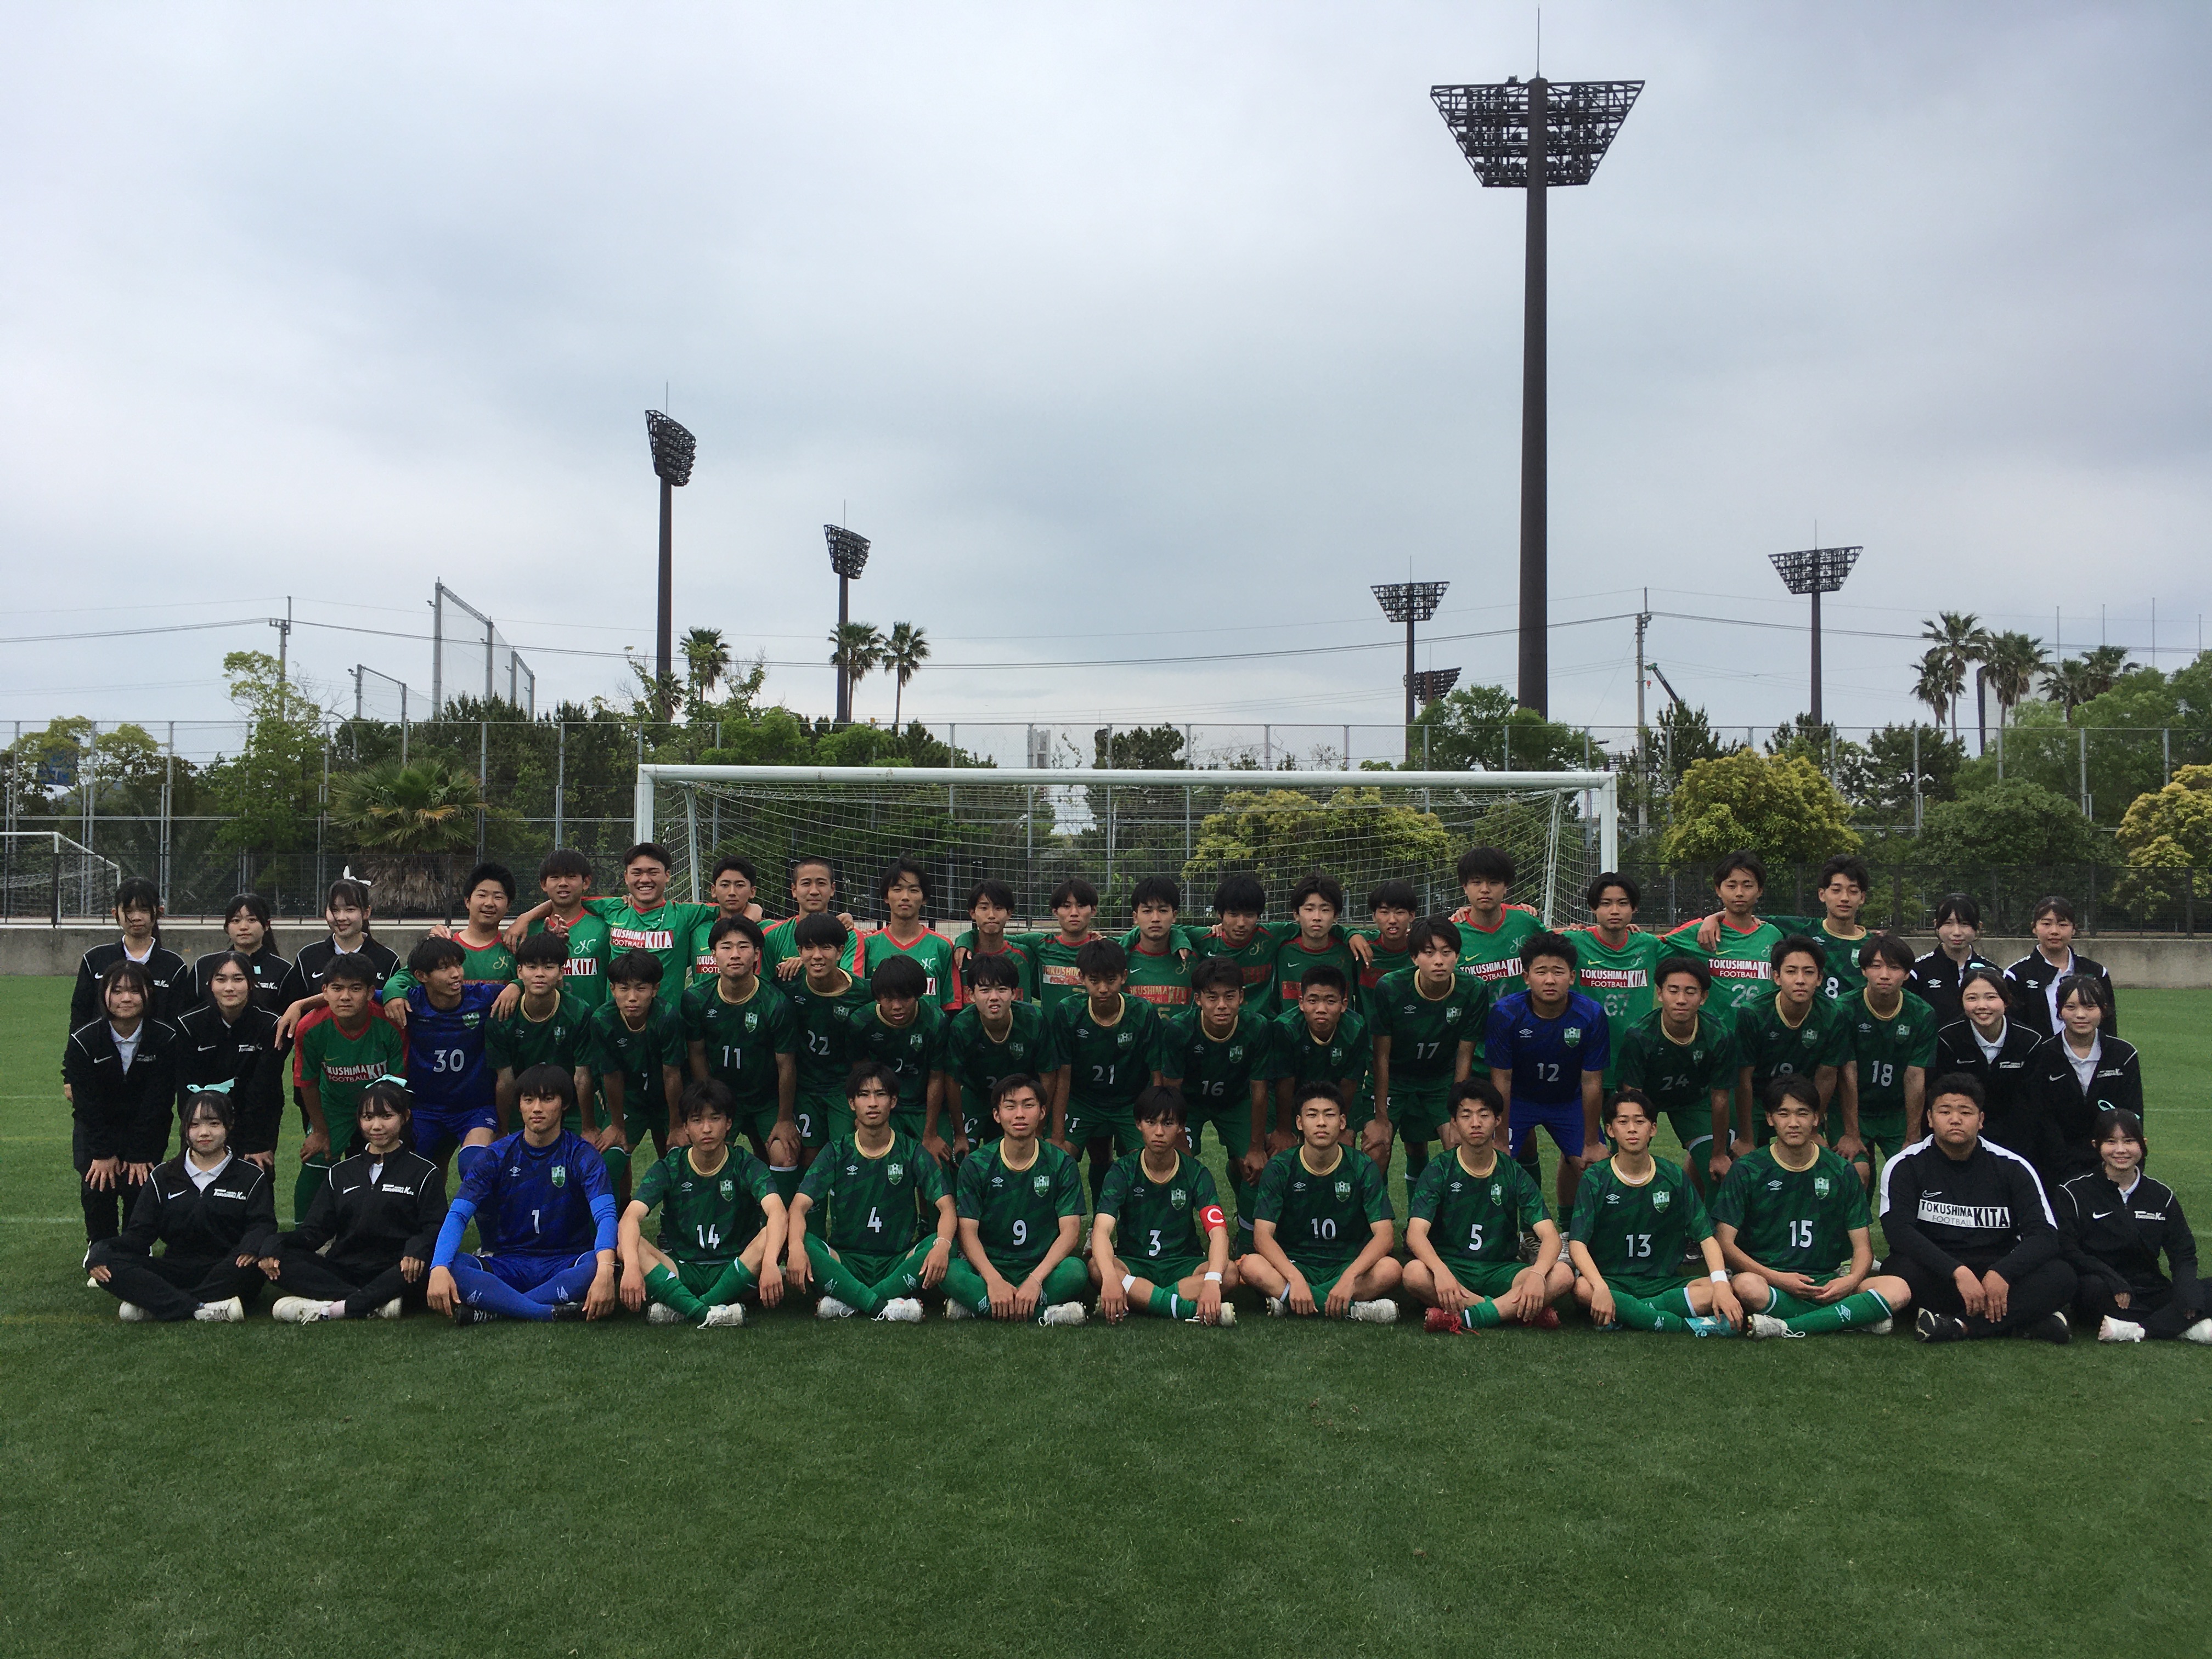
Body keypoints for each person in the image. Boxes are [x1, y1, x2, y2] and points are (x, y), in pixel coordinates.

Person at [1880, 1074, 2076, 1344]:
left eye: (1965, 1112)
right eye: (1945, 1112)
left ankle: (1958, 1325)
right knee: (1898, 1269)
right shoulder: (1905, 1165)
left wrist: (2003, 1272)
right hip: (1939, 1271)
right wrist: (1957, 1272)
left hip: (1997, 1271)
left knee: (2062, 1275)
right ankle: (2025, 1321)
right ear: (1930, 1119)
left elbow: (2044, 1235)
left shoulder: (2013, 1166)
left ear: (1981, 1120)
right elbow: (1899, 1233)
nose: (1955, 1119)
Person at [1714, 1077, 1911, 1339]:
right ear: (1770, 1119)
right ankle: (1849, 1317)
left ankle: (1785, 1325)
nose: (1793, 1123)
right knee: (1746, 1286)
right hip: (1769, 1280)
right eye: (1784, 1114)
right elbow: (1725, 1243)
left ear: (1816, 1118)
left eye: (1802, 1113)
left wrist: (1850, 1281)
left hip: (1827, 1281)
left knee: (1898, 1289)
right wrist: (1777, 1278)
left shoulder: (1841, 1170)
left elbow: (1863, 1247)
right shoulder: (1748, 1169)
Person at [427, 1064, 619, 1325]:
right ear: (519, 1105)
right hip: (509, 1264)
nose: (537, 1108)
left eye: (547, 1099)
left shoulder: (583, 1155)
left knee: (600, 1265)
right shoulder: (495, 1155)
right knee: (452, 1266)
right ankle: (545, 1311)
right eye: (529, 1100)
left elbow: (606, 1215)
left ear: (564, 1104)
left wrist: (606, 1270)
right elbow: (459, 1215)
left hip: (566, 1262)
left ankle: (497, 1307)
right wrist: (438, 1267)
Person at [263, 1079, 446, 1322]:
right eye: (368, 1117)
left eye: (387, 1116)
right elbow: (313, 1233)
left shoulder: (425, 1172)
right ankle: (374, 1303)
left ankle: (334, 1309)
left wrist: (417, 1248)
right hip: (344, 1270)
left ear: (405, 1117)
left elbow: (435, 1227)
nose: (376, 1126)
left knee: (425, 1266)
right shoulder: (340, 1173)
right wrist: (276, 1242)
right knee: (280, 1260)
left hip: (398, 1269)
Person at [787, 1062, 955, 1322]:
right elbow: (799, 1206)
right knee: (803, 1242)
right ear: (852, 1103)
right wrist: (796, 1247)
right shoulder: (837, 1151)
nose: (873, 1103)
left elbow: (947, 1207)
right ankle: (885, 1305)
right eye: (864, 1095)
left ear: (893, 1101)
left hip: (897, 1261)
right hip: (846, 1262)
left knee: (946, 1243)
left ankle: (851, 1301)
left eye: (881, 1094)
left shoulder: (911, 1150)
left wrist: (943, 1246)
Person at [87, 1087, 270, 1323]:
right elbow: (139, 1236)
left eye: (214, 1124)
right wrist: (101, 1250)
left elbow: (263, 1224)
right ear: (185, 1128)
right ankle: (202, 1308)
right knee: (111, 1265)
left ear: (229, 1125)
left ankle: (159, 1304)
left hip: (227, 1267)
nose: (204, 1133)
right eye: (194, 1125)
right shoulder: (163, 1176)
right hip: (174, 1268)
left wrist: (251, 1247)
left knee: (253, 1268)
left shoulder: (251, 1176)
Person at [1568, 1090, 1742, 1335]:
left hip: (1663, 1283)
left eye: (1640, 1121)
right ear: (1610, 1130)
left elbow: (1706, 1237)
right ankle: (1683, 1325)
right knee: (1583, 1289)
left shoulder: (1673, 1176)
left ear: (1653, 1129)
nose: (1632, 1129)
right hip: (1611, 1281)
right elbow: (1577, 1244)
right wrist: (1600, 1287)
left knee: (1716, 1288)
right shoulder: (1596, 1178)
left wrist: (1722, 1283)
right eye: (1623, 1122)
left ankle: (1629, 1314)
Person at [619, 1078, 786, 1328]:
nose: (706, 1129)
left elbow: (778, 1212)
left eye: (715, 1119)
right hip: (682, 1269)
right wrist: (632, 1267)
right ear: (686, 1127)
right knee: (625, 1243)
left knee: (771, 1233)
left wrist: (771, 1263)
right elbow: (630, 1217)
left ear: (729, 1123)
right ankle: (710, 1312)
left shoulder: (744, 1164)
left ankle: (684, 1307)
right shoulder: (671, 1166)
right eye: (697, 1120)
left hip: (735, 1267)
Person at [1405, 1080, 1569, 1333]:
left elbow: (1551, 1237)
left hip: (1501, 1270)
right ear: (1454, 1122)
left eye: (1484, 1115)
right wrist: (1439, 1270)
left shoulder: (1513, 1171)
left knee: (1562, 1274)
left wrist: (1537, 1274)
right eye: (1466, 1115)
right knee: (1413, 1273)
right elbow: (1416, 1234)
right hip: (1453, 1268)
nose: (1475, 1123)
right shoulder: (1439, 1169)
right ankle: (1513, 1312)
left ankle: (1469, 1315)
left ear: (1497, 1121)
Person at [1242, 1083, 1401, 1321]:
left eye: (1329, 1115)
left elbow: (1385, 1236)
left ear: (1343, 1122)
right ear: (1299, 1123)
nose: (1322, 1123)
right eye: (1312, 1115)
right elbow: (1262, 1236)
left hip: (1346, 1264)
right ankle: (1353, 1310)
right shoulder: (1280, 1167)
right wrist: (1295, 1278)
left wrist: (1350, 1277)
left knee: (1391, 1269)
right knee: (1251, 1266)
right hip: (1296, 1264)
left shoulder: (1362, 1166)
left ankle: (1290, 1302)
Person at [943, 1075, 1091, 1324]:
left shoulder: (1061, 1163)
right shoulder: (977, 1164)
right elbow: (967, 1232)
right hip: (991, 1265)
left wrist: (1035, 1280)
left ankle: (979, 1307)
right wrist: (993, 1280)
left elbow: (1071, 1232)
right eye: (1010, 1106)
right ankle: (1047, 1314)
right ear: (997, 1115)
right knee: (950, 1271)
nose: (1019, 1114)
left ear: (1042, 1112)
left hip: (1040, 1266)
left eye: (1028, 1105)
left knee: (1076, 1271)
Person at [2054, 1110, 2207, 1344]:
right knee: (2092, 1289)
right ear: (2096, 1146)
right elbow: (2068, 1249)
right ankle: (2182, 1325)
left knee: (2197, 1291)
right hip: (2104, 1287)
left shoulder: (2161, 1195)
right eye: (2111, 1142)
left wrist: (2187, 1292)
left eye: (2129, 1141)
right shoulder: (2072, 1192)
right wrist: (2112, 1278)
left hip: (2151, 1288)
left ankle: (2140, 1330)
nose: (2121, 1150)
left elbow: (2183, 1252)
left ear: (2143, 1144)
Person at [1485, 930, 1610, 1214]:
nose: (1550, 980)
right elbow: (1501, 1079)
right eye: (1541, 972)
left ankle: (1567, 1231)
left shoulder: (1590, 1014)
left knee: (1595, 1167)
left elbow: (1592, 1081)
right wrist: (1500, 1139)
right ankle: (1511, 1233)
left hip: (1567, 1102)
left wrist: (1591, 1142)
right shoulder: (1506, 1013)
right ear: (1526, 977)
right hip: (1518, 1102)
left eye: (1558, 972)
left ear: (1572, 977)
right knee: (1494, 1166)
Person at [1160, 957, 1279, 1251]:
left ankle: (1248, 1241)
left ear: (1242, 996)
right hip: (1189, 1104)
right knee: (1174, 1164)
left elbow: (1259, 1090)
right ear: (1198, 999)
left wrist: (1255, 1147)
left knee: (1255, 1166)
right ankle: (1177, 1240)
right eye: (1212, 998)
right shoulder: (1180, 1029)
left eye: (1230, 996)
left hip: (1235, 1102)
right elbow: (1172, 1092)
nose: (1222, 1005)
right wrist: (1180, 1143)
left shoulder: (1257, 1027)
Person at [1091, 1086, 1236, 1325]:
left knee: (1228, 1273)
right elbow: (1101, 1229)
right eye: (1151, 1122)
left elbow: (1218, 1233)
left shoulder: (1196, 1172)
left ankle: (1141, 1301)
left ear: (1180, 1127)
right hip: (1135, 1262)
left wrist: (1211, 1280)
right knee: (1098, 1268)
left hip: (1182, 1264)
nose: (1159, 1132)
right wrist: (1109, 1277)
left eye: (1168, 1123)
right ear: (1138, 1124)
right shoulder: (1122, 1170)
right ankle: (1185, 1308)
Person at [505, 842, 714, 1007]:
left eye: (653, 872)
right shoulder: (614, 908)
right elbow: (565, 899)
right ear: (626, 877)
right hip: (615, 1022)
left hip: (665, 1023)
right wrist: (526, 917)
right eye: (637, 873)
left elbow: (727, 904)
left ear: (667, 875)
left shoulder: (686, 914)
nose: (645, 879)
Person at [66, 959, 183, 1250]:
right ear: (104, 995)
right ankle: (100, 1247)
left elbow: (158, 1101)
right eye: (117, 991)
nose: (126, 998)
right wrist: (102, 1153)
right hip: (97, 1131)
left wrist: (141, 1152)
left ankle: (137, 1247)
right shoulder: (84, 1040)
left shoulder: (166, 1038)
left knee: (139, 1186)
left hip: (144, 1130)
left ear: (148, 994)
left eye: (134, 990)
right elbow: (87, 1105)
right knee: (97, 1186)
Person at [1362, 917, 1484, 1193]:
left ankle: (1440, 1217)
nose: (1438, 961)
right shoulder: (1390, 987)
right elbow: (1381, 1057)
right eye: (1429, 953)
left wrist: (1458, 1114)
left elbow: (1465, 1056)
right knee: (1376, 1148)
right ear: (1414, 957)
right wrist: (1381, 1118)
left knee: (1459, 1144)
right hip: (1395, 1078)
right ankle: (1374, 1217)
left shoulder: (1473, 990)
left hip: (1440, 1080)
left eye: (1446, 952)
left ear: (1457, 956)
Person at [1047, 938, 1166, 1205]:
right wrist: (1057, 1136)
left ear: (1124, 977)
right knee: (1060, 1159)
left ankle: (1135, 1222)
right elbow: (1063, 1074)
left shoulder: (1142, 1012)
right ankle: (1091, 1220)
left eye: (1111, 980)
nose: (1103, 989)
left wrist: (1155, 1120)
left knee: (1145, 1161)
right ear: (1081, 978)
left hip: (1130, 1102)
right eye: (1094, 980)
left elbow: (1156, 1073)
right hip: (1084, 1102)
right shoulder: (1068, 1012)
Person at [680, 916, 800, 1180]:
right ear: (714, 954)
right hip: (721, 1096)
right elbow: (697, 1053)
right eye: (726, 947)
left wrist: (784, 1119)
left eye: (743, 947)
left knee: (785, 1153)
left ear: (757, 954)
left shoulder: (776, 1004)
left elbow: (786, 1066)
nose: (735, 954)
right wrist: (709, 1104)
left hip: (765, 1099)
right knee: (707, 1152)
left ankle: (779, 1205)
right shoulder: (696, 998)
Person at [290, 953, 405, 1222]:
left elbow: (398, 1081)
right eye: (337, 988)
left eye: (355, 989)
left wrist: (387, 1121)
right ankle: (303, 1233)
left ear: (370, 993)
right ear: (325, 991)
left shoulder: (390, 1023)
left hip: (382, 1106)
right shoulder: (310, 1027)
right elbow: (307, 1083)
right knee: (317, 1157)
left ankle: (384, 1227)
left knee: (389, 1162)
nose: (345, 997)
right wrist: (320, 1131)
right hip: (335, 1104)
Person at [1612, 955, 1739, 1192]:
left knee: (1718, 1173)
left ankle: (1700, 1214)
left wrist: (1719, 1154)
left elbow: (1720, 1097)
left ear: (1703, 997)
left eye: (1690, 992)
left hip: (1695, 1100)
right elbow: (1632, 1100)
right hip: (1646, 1100)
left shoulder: (1719, 1035)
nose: (1681, 1000)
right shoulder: (1640, 1035)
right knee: (1626, 1169)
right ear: (1660, 993)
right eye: (1673, 991)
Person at [380, 936, 504, 1172]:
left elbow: (532, 987)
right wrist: (301, 1005)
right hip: (425, 1110)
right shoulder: (411, 1003)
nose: (456, 974)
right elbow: (358, 997)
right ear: (421, 976)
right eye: (444, 968)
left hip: (475, 1109)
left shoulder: (482, 997)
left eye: (458, 965)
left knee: (474, 1166)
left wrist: (517, 986)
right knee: (414, 1173)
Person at [1691, 853, 1872, 1004]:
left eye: (1853, 891)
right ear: (1822, 894)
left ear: (1862, 897)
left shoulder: (1873, 947)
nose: (1845, 898)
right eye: (1836, 890)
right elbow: (1742, 915)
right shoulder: (1801, 929)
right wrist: (1713, 918)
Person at [1731, 935, 1854, 1155]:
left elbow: (1826, 1076)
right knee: (1730, 1159)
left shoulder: (1833, 1014)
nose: (1800, 980)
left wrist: (1814, 1129)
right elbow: (1744, 1079)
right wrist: (1746, 1138)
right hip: (1757, 1099)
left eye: (1809, 972)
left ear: (1819, 978)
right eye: (1791, 972)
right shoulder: (1753, 1014)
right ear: (1777, 977)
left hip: (1803, 1099)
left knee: (1817, 1160)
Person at [938, 950, 1061, 1158]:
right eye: (985, 990)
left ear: (1014, 993)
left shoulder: (1033, 1020)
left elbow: (1048, 1075)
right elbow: (952, 1080)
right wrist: (959, 1134)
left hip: (1020, 1095)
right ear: (971, 995)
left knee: (1022, 1153)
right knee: (958, 1156)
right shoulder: (962, 1026)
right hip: (976, 1095)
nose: (994, 998)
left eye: (1002, 989)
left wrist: (1038, 1128)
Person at [1838, 933, 1938, 1182]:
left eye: (1894, 968)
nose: (1884, 975)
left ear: (1906, 974)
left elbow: (1915, 1076)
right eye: (1876, 966)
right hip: (1854, 1110)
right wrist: (1851, 1133)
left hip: (1896, 1112)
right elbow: (1847, 1072)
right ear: (1864, 970)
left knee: (1912, 1175)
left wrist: (1913, 1135)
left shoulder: (1922, 1013)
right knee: (1856, 1173)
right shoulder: (1844, 1009)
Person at [173, 949, 284, 1171]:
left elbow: (267, 1090)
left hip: (253, 1128)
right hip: (204, 1123)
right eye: (221, 980)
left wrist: (258, 1143)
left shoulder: (271, 1025)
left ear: (251, 984)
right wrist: (198, 1130)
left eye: (238, 979)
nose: (229, 988)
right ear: (210, 985)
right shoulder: (189, 1024)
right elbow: (186, 1089)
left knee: (253, 1181)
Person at [2028, 975, 2142, 1187]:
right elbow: (2041, 1119)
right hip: (2055, 1168)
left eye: (2090, 1007)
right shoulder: (2042, 1055)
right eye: (2071, 1007)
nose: (2081, 1015)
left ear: (2103, 1010)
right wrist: (2063, 1168)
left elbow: (2133, 1117)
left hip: (2110, 1164)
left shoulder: (2123, 1055)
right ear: (2060, 1011)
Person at [585, 950, 686, 1183]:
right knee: (609, 1160)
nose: (632, 998)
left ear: (655, 989)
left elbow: (672, 1074)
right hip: (629, 1100)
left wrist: (676, 1125)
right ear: (613, 990)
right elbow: (611, 1075)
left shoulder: (667, 1017)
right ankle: (619, 1205)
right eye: (624, 989)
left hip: (667, 1101)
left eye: (641, 989)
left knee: (679, 1160)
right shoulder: (602, 1020)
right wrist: (617, 1125)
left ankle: (673, 1205)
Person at [485, 932, 596, 1141]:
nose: (540, 974)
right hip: (522, 1105)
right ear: (520, 971)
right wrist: (503, 1130)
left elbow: (582, 1077)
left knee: (594, 1154)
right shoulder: (502, 1017)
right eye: (532, 967)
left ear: (561, 972)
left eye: (548, 967)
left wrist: (589, 1128)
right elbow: (505, 1081)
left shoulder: (579, 1012)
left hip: (570, 1106)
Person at [784, 913, 876, 1159]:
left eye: (826, 947)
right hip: (805, 1087)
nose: (817, 956)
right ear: (799, 952)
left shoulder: (863, 993)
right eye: (809, 948)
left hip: (843, 1087)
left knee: (844, 1154)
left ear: (840, 951)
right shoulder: (788, 984)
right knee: (808, 1156)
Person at [67, 877, 189, 1062]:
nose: (136, 917)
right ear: (115, 913)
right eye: (129, 910)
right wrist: (73, 1065)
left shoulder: (174, 965)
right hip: (100, 1061)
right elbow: (80, 1016)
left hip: (155, 1065)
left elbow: (176, 1023)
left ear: (159, 912)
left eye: (144, 910)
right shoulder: (95, 959)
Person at [1932, 966, 2045, 1163]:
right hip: (1964, 1134)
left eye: (1991, 997)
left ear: (2006, 1001)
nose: (1982, 1006)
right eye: (1972, 998)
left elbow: (2031, 1102)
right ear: (1961, 1002)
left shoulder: (2030, 1041)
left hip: (2017, 1138)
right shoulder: (1947, 1039)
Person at [1660, 851, 1782, 1025]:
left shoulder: (1773, 935)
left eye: (1747, 886)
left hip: (1761, 1033)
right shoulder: (1701, 931)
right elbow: (1651, 944)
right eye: (1731, 886)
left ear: (1760, 891)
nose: (1739, 893)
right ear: (1718, 890)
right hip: (1715, 1035)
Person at [1566, 873, 1660, 1098]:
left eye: (1623, 903)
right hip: (1585, 1056)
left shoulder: (1649, 945)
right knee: (1586, 1121)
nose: (1614, 911)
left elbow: (1693, 937)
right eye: (1606, 904)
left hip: (1635, 1057)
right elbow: (1534, 937)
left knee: (1633, 1120)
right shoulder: (1574, 942)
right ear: (1593, 908)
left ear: (1634, 908)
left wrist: (1715, 917)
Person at [272, 878, 400, 1039]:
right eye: (334, 910)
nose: (341, 917)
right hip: (319, 1049)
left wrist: (303, 1004)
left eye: (350, 910)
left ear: (366, 912)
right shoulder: (307, 957)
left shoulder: (388, 960)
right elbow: (290, 1009)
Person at [1271, 964, 1368, 1163]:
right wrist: (1284, 1130)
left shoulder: (1356, 1028)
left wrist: (1341, 1126)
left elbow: (1349, 1083)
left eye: (1330, 1001)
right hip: (1290, 1099)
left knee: (1341, 1148)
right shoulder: (1285, 1028)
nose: (1321, 1009)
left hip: (1334, 1097)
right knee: (1279, 1152)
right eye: (1313, 1001)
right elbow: (1284, 1083)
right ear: (1301, 1003)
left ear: (1344, 1004)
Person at [849, 954, 947, 1144]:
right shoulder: (860, 1022)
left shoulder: (936, 1022)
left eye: (905, 998)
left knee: (941, 1157)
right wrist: (863, 1116)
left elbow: (936, 1076)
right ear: (877, 997)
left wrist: (930, 1133)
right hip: (882, 1103)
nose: (897, 1006)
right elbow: (861, 1071)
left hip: (923, 1106)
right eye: (889, 999)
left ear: (919, 994)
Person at [2004, 896, 2118, 1042]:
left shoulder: (2096, 972)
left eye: (2063, 925)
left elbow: (2108, 1025)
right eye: (2046, 924)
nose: (2054, 931)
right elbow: (2013, 1028)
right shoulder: (2016, 975)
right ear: (2034, 927)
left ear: (2074, 929)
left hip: (2088, 1055)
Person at [524, 849, 613, 1011]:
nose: (563, 883)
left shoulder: (604, 927)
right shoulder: (528, 930)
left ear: (586, 882)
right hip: (544, 1022)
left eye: (571, 876)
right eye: (555, 877)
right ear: (544, 884)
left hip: (593, 1021)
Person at [863, 856, 956, 1011]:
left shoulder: (942, 947)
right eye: (897, 889)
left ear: (924, 898)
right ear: (886, 897)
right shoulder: (868, 945)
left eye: (913, 890)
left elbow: (950, 1005)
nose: (905, 897)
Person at [1448, 847, 1541, 995]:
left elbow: (1556, 944)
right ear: (1465, 887)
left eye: (1494, 882)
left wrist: (1576, 930)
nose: (1485, 889)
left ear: (1506, 887)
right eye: (1477, 882)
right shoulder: (1452, 933)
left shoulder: (1525, 921)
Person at [1190, 873, 1291, 1006]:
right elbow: (1172, 929)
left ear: (1258, 916)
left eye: (1249, 915)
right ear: (1220, 914)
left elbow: (1307, 927)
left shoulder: (1272, 935)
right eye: (1233, 915)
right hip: (1219, 1015)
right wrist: (1179, 941)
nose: (1241, 923)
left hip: (1262, 1018)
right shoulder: (1206, 938)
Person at [760, 855, 865, 982]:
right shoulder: (772, 936)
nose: (814, 891)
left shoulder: (850, 936)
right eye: (806, 884)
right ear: (794, 890)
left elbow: (851, 985)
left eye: (821, 884)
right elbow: (764, 985)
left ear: (832, 889)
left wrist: (807, 963)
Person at [1010, 877, 1105, 1014]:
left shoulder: (1104, 948)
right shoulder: (1040, 944)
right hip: (1051, 1028)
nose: (1074, 913)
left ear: (1093, 910)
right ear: (1055, 911)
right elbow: (994, 940)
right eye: (1066, 906)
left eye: (1081, 906)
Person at [1909, 893, 2000, 1029]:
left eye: (1965, 924)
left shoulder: (1993, 972)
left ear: (1978, 927)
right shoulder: (1917, 972)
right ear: (1937, 925)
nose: (1957, 932)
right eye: (1948, 923)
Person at [190, 893, 291, 1014]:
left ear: (266, 926)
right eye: (236, 920)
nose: (244, 927)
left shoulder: (284, 970)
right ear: (226, 927)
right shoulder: (204, 966)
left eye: (252, 920)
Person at [1273, 873, 1361, 1008]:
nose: (1317, 917)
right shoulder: (1281, 949)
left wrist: (1353, 934)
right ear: (1296, 914)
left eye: (1325, 910)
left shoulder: (1350, 951)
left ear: (1336, 916)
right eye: (1309, 909)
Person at [948, 878, 1037, 1008]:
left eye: (998, 908)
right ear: (973, 913)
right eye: (984, 908)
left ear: (1009, 913)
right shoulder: (960, 956)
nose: (991, 915)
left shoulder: (1025, 955)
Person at [688, 855, 765, 985]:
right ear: (713, 890)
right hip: (704, 998)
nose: (732, 892)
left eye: (740, 885)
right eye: (725, 885)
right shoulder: (698, 931)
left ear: (753, 891)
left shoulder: (768, 930)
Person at [1351, 878, 1418, 1024]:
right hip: (1368, 1036)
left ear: (1412, 915)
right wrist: (1350, 934)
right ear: (1374, 916)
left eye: (1400, 912)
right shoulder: (1362, 945)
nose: (1392, 920)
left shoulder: (1423, 949)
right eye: (1384, 912)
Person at [1122, 875, 1194, 1011]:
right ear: (1135, 917)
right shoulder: (1120, 961)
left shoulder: (1194, 959)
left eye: (1163, 911)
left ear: (1174, 916)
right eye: (1147, 911)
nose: (1155, 918)